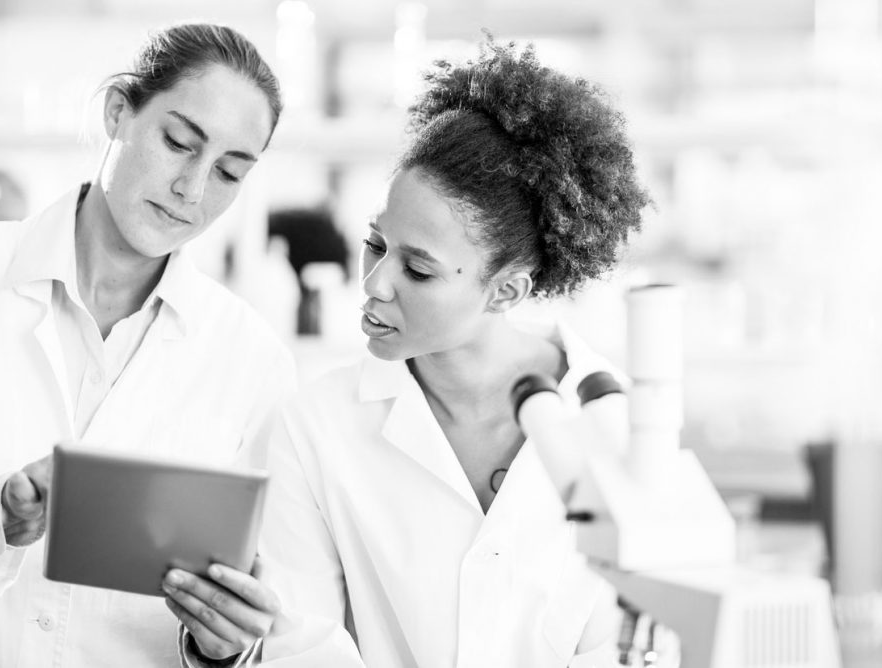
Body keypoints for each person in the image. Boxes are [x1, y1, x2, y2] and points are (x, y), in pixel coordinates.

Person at [242, 37, 650, 666]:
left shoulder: (613, 419)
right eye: (375, 244)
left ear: (505, 290)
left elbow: (624, 643)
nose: (375, 283)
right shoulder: (316, 426)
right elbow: (301, 646)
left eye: (419, 269)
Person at [0, 23, 294, 668]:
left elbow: (269, 605)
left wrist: (223, 649)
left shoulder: (252, 362)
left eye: (229, 172)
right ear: (118, 112)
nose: (192, 190)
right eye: (178, 143)